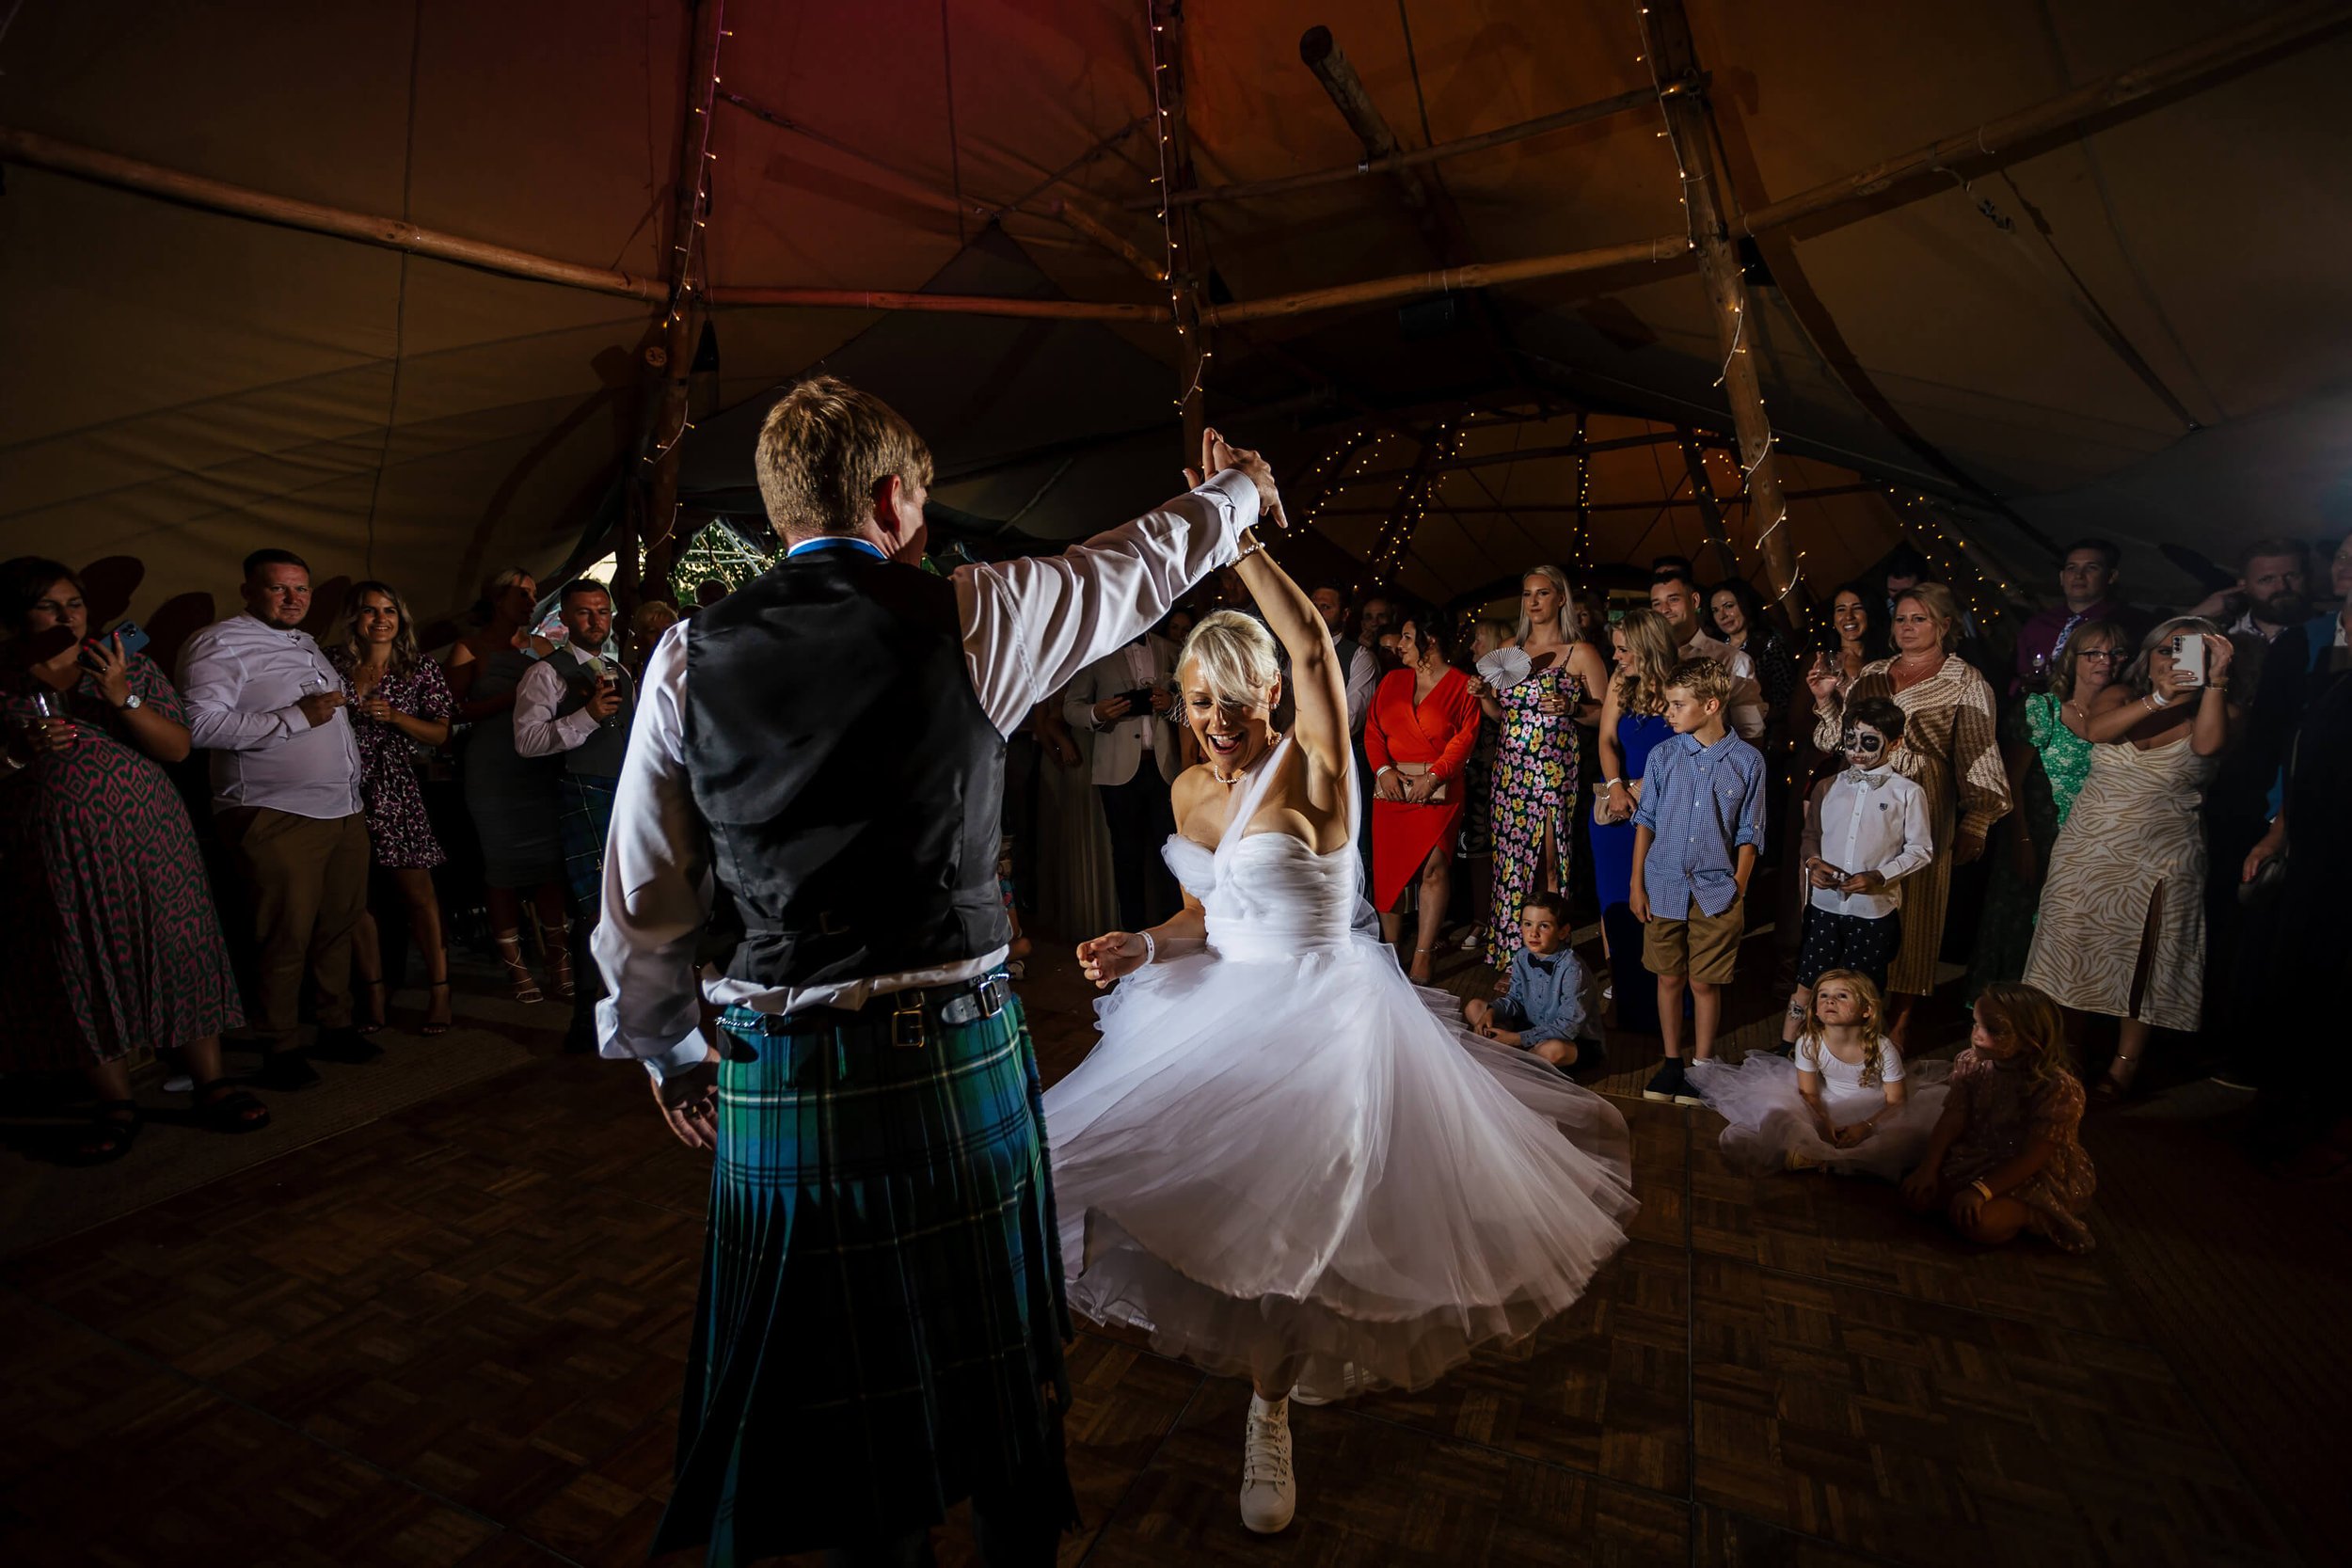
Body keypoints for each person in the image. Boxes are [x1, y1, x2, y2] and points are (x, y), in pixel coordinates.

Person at [594, 378, 1273, 1567]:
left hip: (780, 1073)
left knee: (839, 1396)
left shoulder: (686, 658)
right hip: (955, 1055)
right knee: (994, 1363)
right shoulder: (974, 614)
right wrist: (1239, 492)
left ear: (777, 512)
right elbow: (1135, 562)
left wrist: (670, 1047)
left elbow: (641, 894)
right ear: (895, 498)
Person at [1049, 490, 1634, 1538]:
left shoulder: (1315, 769)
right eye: (1197, 702)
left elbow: (1319, 650)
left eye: (1235, 701)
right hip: (1213, 1008)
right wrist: (1144, 943)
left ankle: (1266, 1410)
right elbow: (1201, 910)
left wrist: (1239, 535)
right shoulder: (1187, 789)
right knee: (1152, 1184)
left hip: (1326, 1013)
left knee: (1298, 1223)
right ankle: (1244, 1372)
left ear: (1271, 694)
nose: (1217, 724)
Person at [1, 558, 265, 1158]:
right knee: (82, 962)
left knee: (178, 945)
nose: (67, 616)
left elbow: (176, 748)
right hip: (54, 851)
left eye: (75, 603)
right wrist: (18, 753)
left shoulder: (125, 661)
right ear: (19, 617)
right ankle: (115, 1103)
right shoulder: (4, 677)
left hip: (151, 838)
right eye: (50, 606)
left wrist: (123, 697)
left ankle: (212, 1083)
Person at [178, 548, 376, 1091]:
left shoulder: (306, 642)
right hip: (276, 813)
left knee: (337, 925)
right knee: (283, 935)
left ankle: (334, 1025)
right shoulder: (219, 642)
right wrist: (295, 717)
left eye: (302, 589)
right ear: (249, 591)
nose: (293, 599)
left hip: (341, 808)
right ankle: (278, 1044)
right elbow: (197, 725)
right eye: (279, 589)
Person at [2023, 619, 2238, 1102]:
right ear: (2148, 655)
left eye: (2189, 652)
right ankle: (2068, 1055)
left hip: (2163, 855)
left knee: (2146, 960)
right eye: (2165, 649)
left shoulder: (2222, 708)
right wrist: (2160, 697)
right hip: (2089, 850)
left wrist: (2216, 684)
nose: (2172, 659)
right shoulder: (2119, 695)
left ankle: (2124, 1068)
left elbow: (2207, 745)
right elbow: (2098, 732)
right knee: (2072, 952)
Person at [1804, 583, 2010, 1046]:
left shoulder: (1964, 680)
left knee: (1914, 911)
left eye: (1919, 619)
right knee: (1853, 899)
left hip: (1922, 797)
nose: (1908, 627)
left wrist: (1978, 819)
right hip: (1858, 798)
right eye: (1901, 619)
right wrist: (1824, 699)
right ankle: (1840, 1017)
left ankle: (1897, 1025)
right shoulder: (1874, 672)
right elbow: (1835, 739)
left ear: (1944, 625)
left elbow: (1977, 752)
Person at [1629, 657, 1767, 1104]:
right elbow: (1645, 818)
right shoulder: (1662, 756)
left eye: (1676, 705)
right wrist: (1637, 883)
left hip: (1716, 888)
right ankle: (1672, 1063)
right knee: (1668, 976)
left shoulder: (1749, 762)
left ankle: (1703, 1067)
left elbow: (1750, 830)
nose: (1666, 713)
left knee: (1704, 981)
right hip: (1663, 881)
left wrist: (1739, 886)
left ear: (1710, 705)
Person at [1963, 620, 2121, 1002]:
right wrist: (2021, 841)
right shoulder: (2043, 709)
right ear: (2072, 659)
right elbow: (2010, 783)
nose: (2106, 662)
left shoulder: (2125, 717)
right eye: (2094, 653)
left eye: (2115, 654)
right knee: (2020, 933)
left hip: (2089, 849)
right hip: (2036, 839)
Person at [329, 581, 457, 1036]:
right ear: (354, 619)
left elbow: (442, 734)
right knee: (354, 899)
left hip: (397, 789)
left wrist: (398, 717)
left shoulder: (418, 668)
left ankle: (439, 991)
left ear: (401, 619)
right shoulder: (332, 665)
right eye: (369, 610)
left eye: (389, 611)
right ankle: (374, 993)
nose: (380, 619)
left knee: (418, 896)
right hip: (340, 788)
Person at [515, 578, 632, 1052]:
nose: (595, 621)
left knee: (630, 902)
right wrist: (587, 715)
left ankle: (627, 1005)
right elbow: (526, 742)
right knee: (592, 908)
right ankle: (584, 1019)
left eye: (602, 612)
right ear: (565, 619)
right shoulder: (545, 674)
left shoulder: (620, 669)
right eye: (584, 613)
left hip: (625, 793)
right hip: (581, 790)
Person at [442, 569, 570, 1005]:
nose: (530, 600)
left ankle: (559, 964)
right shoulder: (469, 648)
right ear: (497, 599)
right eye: (522, 593)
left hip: (538, 767)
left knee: (550, 866)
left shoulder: (546, 648)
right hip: (493, 769)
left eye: (534, 593)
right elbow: (451, 713)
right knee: (502, 869)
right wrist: (515, 696)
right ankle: (517, 971)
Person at [1477, 566, 1611, 972]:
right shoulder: (1509, 648)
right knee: (1511, 865)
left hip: (1555, 771)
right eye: (1527, 594)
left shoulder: (1580, 652)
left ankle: (1552, 961)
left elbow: (1606, 714)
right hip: (1510, 770)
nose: (1533, 602)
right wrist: (1484, 696)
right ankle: (1514, 962)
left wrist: (1572, 708)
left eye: (1542, 593)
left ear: (1560, 599)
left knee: (1550, 864)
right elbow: (1502, 715)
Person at [1689, 970, 1947, 1179]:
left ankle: (1823, 1159)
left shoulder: (1882, 1047)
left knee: (1909, 1136)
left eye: (1842, 996)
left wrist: (1865, 1127)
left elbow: (1896, 1101)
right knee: (1779, 1112)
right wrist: (1824, 1121)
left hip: (1876, 1110)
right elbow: (1809, 1092)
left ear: (1867, 1010)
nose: (1829, 1001)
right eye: (1823, 995)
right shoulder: (1809, 1042)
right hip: (1827, 1103)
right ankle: (1826, 1157)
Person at [1901, 981, 2095, 1252]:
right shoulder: (1972, 1064)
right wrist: (1930, 1166)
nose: (1976, 1035)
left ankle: (2034, 1213)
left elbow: (2034, 1155)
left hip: (2029, 1171)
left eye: (1993, 1029)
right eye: (1975, 1023)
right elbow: (1953, 1118)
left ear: (2031, 1039)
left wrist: (1981, 1190)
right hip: (1979, 1153)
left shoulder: (2056, 1088)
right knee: (1917, 1197)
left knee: (1981, 1224)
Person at [1783, 696, 1932, 1041]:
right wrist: (1813, 862)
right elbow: (1811, 835)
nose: (1857, 750)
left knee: (1861, 990)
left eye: (1869, 742)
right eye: (1851, 739)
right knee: (1808, 980)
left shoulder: (1907, 793)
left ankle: (1856, 1056)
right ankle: (1788, 1048)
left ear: (1894, 743)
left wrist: (1879, 876)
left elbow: (1921, 850)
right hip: (1825, 907)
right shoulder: (1827, 786)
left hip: (1873, 911)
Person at [1365, 607, 1480, 981]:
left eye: (1408, 638)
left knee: (1434, 868)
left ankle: (1424, 954)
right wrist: (1383, 771)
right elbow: (1372, 731)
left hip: (1439, 790)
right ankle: (1392, 949)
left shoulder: (1463, 685)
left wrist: (1434, 777)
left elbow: (1465, 738)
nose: (1399, 645)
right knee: (1389, 871)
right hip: (1392, 789)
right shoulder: (1392, 681)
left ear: (1430, 641)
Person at [1588, 608, 1679, 1034]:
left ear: (1649, 647)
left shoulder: (1684, 686)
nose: (1617, 656)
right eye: (1616, 648)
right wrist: (1617, 784)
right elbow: (1606, 740)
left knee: (1660, 910)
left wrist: (1650, 788)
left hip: (1668, 813)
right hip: (1620, 813)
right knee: (1618, 910)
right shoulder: (1622, 683)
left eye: (1624, 649)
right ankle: (1626, 1001)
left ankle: (1667, 1009)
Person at [1063, 626, 1182, 931]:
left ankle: (1174, 937)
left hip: (1165, 769)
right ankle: (1131, 938)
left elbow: (1192, 700)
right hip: (1117, 772)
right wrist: (1098, 713)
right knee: (1127, 858)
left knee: (1172, 857)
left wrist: (1171, 704)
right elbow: (1071, 708)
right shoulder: (1097, 650)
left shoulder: (1168, 648)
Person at [1461, 891, 1600, 1071]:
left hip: (1568, 1040)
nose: (1533, 933)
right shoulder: (1522, 956)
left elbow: (1568, 1027)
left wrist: (1516, 1038)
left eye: (1543, 926)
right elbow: (1516, 999)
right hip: (1528, 1027)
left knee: (1553, 1051)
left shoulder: (1572, 968)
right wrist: (1492, 1012)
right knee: (1475, 1007)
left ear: (1563, 932)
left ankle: (1513, 1058)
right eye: (1527, 924)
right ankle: (1514, 1052)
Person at [1648, 570, 1764, 740]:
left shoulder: (1732, 660)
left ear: (1694, 601)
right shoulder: (1643, 659)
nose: (1664, 609)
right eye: (1657, 604)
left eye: (1673, 599)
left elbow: (1751, 734)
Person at [2011, 538, 2137, 692]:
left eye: (2091, 568)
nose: (2079, 575)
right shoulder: (2039, 624)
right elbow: (2019, 674)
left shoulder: (2127, 625)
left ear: (2111, 576)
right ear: (2062, 577)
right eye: (2072, 568)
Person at [1708, 576, 1799, 738]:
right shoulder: (1713, 649)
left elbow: (1785, 700)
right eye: (1715, 610)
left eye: (1729, 606)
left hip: (1761, 733)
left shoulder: (1769, 645)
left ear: (1746, 605)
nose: (1722, 615)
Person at [2192, 537, 2310, 643]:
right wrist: (2191, 619)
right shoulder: (2221, 636)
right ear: (2243, 586)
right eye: (2267, 579)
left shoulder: (2324, 630)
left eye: (2291, 576)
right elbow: (2179, 662)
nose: (2282, 587)